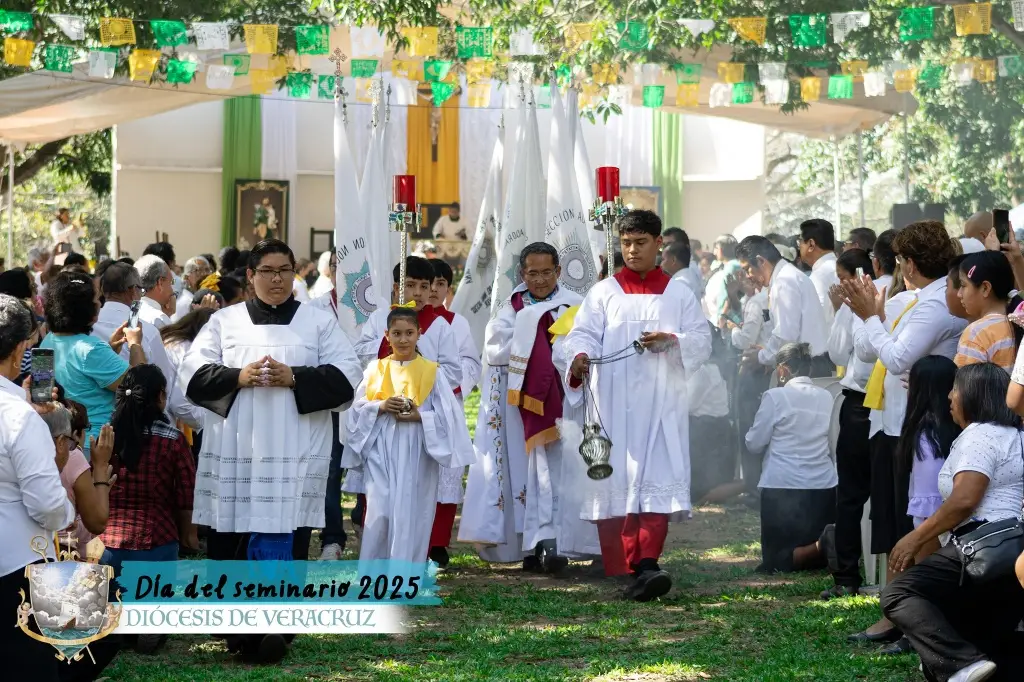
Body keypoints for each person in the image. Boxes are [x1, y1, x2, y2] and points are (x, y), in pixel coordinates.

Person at [181, 239, 361, 664]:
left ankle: (276, 626)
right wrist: (237, 376)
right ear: (250, 276)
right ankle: (240, 631)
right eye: (267, 271)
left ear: (294, 274)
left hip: (293, 452)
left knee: (287, 532)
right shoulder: (224, 322)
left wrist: (295, 377)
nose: (277, 279)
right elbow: (191, 374)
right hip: (237, 451)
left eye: (284, 270)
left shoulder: (317, 322)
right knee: (231, 534)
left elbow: (349, 376)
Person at [565, 210, 712, 601]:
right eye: (625, 243)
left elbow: (701, 339)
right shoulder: (604, 292)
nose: (631, 250)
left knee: (655, 478)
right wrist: (579, 356)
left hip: (660, 403)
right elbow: (582, 334)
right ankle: (626, 566)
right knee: (614, 478)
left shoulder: (679, 292)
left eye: (640, 242)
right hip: (613, 404)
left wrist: (672, 339)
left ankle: (648, 564)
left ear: (658, 243)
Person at [842, 220, 965, 641]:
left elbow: (896, 358)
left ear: (908, 263)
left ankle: (909, 617)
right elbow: (866, 351)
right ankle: (898, 613)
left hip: (921, 424)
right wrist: (871, 316)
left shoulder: (935, 305)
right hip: (893, 418)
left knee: (916, 523)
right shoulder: (911, 299)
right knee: (898, 519)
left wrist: (870, 317)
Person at [460, 243, 598, 570]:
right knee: (530, 477)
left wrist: (564, 350)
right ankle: (535, 546)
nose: (539, 279)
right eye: (532, 273)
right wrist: (535, 336)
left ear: (558, 272)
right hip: (523, 408)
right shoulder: (511, 309)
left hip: (569, 402)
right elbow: (494, 351)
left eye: (546, 272)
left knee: (564, 472)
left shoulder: (577, 306)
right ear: (522, 274)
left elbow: (589, 341)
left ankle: (566, 543)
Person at [883, 363, 1024, 682]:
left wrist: (917, 537)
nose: (950, 396)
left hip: (982, 543)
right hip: (1012, 552)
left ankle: (959, 663)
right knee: (991, 654)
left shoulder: (980, 436)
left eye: (956, 389)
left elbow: (964, 499)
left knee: (899, 593)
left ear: (973, 395)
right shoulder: (1014, 435)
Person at [346, 307, 475, 562]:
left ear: (419, 333)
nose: (403, 339)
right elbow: (355, 413)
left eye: (409, 333)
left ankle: (405, 577)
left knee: (413, 512)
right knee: (379, 511)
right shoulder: (375, 370)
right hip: (381, 450)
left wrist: (420, 417)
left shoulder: (433, 372)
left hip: (418, 450)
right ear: (386, 335)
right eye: (396, 333)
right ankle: (375, 576)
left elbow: (449, 417)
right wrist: (380, 406)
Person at [0, 294, 76, 681]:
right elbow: (47, 505)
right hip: (16, 565)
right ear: (18, 350)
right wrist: (67, 512)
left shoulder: (20, 412)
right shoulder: (18, 418)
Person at [821, 247, 884, 599]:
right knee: (892, 493)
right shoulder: (916, 297)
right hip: (901, 403)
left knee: (851, 494)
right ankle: (892, 575)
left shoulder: (859, 294)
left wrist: (838, 309)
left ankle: (846, 576)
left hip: (862, 404)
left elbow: (838, 350)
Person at [745, 342, 837, 573]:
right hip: (823, 488)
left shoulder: (775, 397)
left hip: (782, 489)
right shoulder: (827, 397)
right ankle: (821, 545)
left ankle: (822, 544)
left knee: (775, 562)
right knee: (813, 563)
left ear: (783, 370)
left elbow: (754, 444)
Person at [102, 366, 197, 586]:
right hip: (157, 541)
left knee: (107, 616)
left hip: (105, 544)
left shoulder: (107, 436)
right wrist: (189, 536)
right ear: (160, 396)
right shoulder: (173, 439)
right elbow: (186, 495)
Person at [41, 271, 145, 458]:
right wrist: (135, 343)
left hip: (61, 442)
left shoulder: (47, 341)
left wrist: (110, 350)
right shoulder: (90, 349)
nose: (100, 303)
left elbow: (43, 392)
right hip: (96, 446)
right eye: (97, 299)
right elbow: (140, 386)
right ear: (87, 310)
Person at [93, 263, 201, 433]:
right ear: (132, 291)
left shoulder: (89, 329)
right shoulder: (147, 332)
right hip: (140, 431)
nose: (140, 297)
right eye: (140, 291)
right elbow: (165, 385)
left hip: (97, 428)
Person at [426, 258, 481, 565]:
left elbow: (471, 363)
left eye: (440, 284)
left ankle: (437, 542)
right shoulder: (403, 319)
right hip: (411, 408)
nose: (433, 290)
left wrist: (450, 383)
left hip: (446, 405)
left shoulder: (456, 322)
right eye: (427, 284)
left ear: (449, 288)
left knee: (446, 473)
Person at [735, 235, 830, 376]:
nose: (748, 276)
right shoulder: (785, 277)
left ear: (761, 261)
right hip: (805, 364)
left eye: (748, 268)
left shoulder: (784, 282)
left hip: (805, 368)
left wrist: (761, 356)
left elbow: (785, 335)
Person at [41, 405, 112, 546]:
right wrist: (100, 468)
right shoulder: (74, 456)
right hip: (59, 553)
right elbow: (96, 524)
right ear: (75, 435)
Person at [953, 251, 1017, 371]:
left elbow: (965, 387)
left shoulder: (977, 333)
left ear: (985, 288)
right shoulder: (1019, 320)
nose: (959, 294)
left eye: (963, 285)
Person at [799, 219, 841, 329]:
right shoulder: (841, 267)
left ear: (811, 244)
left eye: (800, 242)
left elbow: (815, 318)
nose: (799, 247)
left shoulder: (819, 276)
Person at [703, 236, 741, 328]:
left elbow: (725, 294)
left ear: (721, 249)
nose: (714, 252)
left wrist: (722, 316)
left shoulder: (731, 267)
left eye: (716, 248)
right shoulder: (737, 264)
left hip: (729, 317)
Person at [133, 254, 174, 329]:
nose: (172, 290)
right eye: (171, 283)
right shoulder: (159, 319)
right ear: (160, 283)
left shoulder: (133, 311)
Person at [173, 256, 212, 322]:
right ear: (186, 277)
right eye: (197, 270)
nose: (204, 274)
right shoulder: (185, 303)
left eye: (207, 270)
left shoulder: (207, 297)